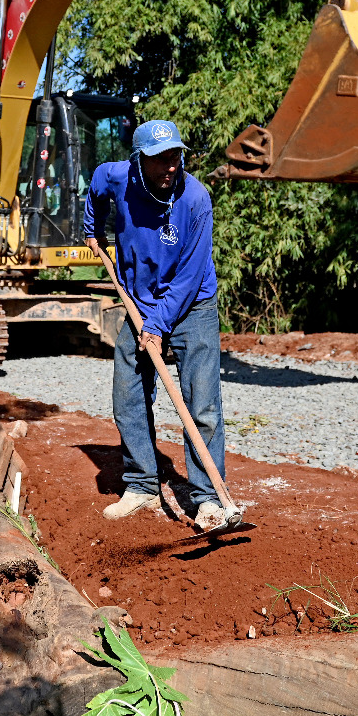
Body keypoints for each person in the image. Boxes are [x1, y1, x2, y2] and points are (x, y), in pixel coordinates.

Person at [83, 120, 227, 530]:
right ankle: (143, 486)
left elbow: (189, 276)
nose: (170, 166)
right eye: (160, 159)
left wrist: (158, 325)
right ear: (139, 160)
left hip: (192, 305)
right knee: (127, 394)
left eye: (175, 156)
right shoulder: (117, 176)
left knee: (201, 403)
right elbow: (95, 185)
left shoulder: (196, 199)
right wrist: (91, 227)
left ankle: (208, 499)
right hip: (137, 303)